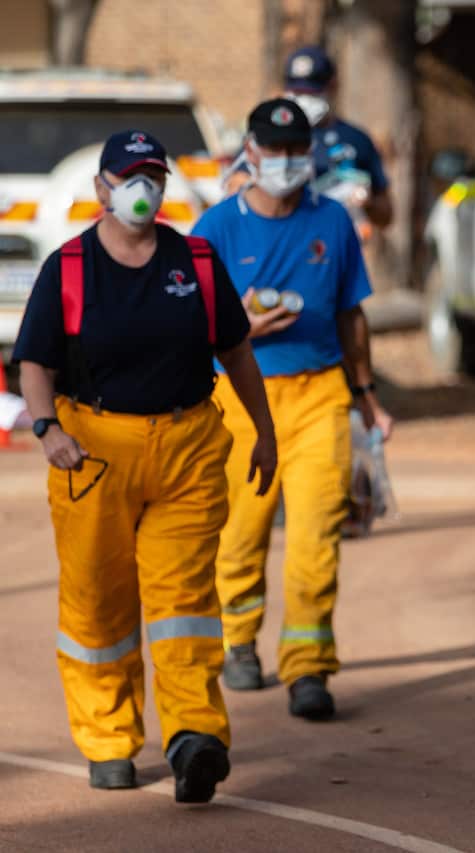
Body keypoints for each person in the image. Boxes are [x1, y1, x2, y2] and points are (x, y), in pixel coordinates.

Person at [12, 130, 276, 802]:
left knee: (184, 599)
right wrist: (47, 429)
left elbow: (238, 352)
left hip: (188, 444)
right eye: (129, 176)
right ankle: (108, 737)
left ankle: (195, 736)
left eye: (153, 176)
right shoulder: (69, 268)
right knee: (99, 600)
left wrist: (264, 432)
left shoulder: (196, 260)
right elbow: (34, 362)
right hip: (93, 450)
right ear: (102, 189)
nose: (143, 189)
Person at [193, 99, 393, 721]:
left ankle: (308, 665)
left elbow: (351, 314)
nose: (282, 162)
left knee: (315, 538)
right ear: (248, 152)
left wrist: (365, 396)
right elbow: (187, 322)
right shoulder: (215, 229)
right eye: (271, 150)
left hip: (319, 395)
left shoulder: (331, 221)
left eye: (294, 150)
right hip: (239, 399)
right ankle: (237, 641)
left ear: (309, 153)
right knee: (240, 531)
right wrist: (239, 327)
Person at [225, 46, 391, 229]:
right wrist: (272, 184)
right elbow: (235, 185)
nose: (305, 99)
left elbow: (387, 214)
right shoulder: (272, 132)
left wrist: (365, 200)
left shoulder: (356, 139)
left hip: (337, 239)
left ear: (333, 85)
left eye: (312, 93)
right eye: (298, 93)